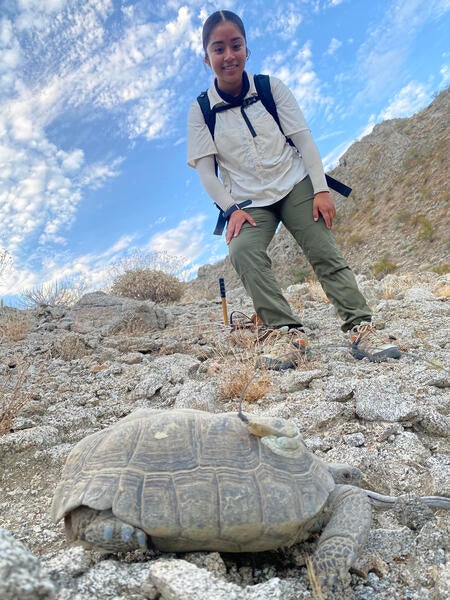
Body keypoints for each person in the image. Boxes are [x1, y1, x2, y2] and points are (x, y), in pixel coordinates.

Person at [187, 9, 401, 369]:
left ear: (247, 49)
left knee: (322, 249)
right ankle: (288, 333)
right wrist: (231, 209)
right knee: (242, 250)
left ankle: (360, 327)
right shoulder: (201, 110)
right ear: (206, 57)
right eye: (218, 48)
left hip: (294, 183)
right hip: (249, 202)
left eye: (235, 45)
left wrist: (320, 189)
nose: (229, 56)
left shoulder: (271, 88)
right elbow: (207, 173)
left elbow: (304, 141)